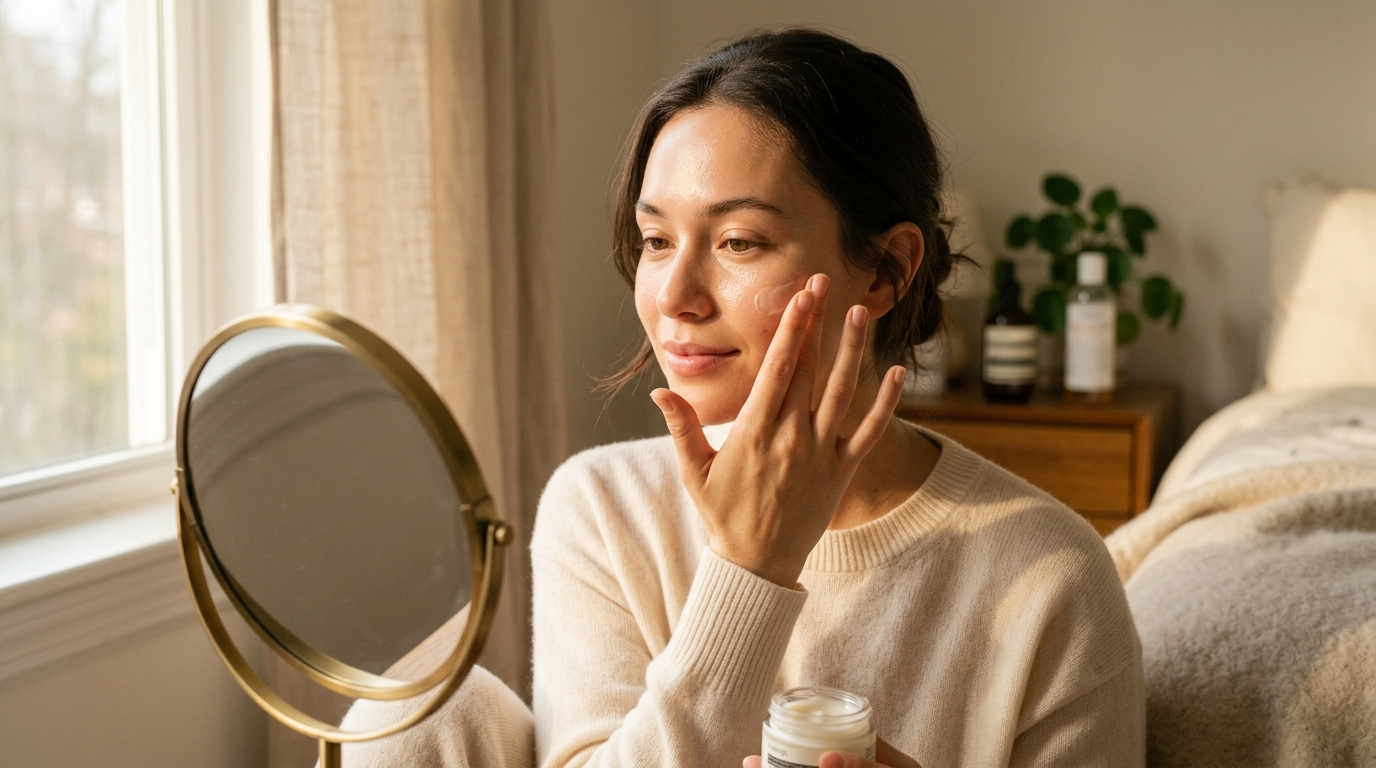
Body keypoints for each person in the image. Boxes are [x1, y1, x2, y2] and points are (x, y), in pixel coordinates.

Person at [529, 28, 1144, 768]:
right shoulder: (602, 510)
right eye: (657, 241)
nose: (675, 298)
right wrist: (749, 569)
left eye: (739, 242)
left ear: (885, 270)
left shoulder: (1052, 577)